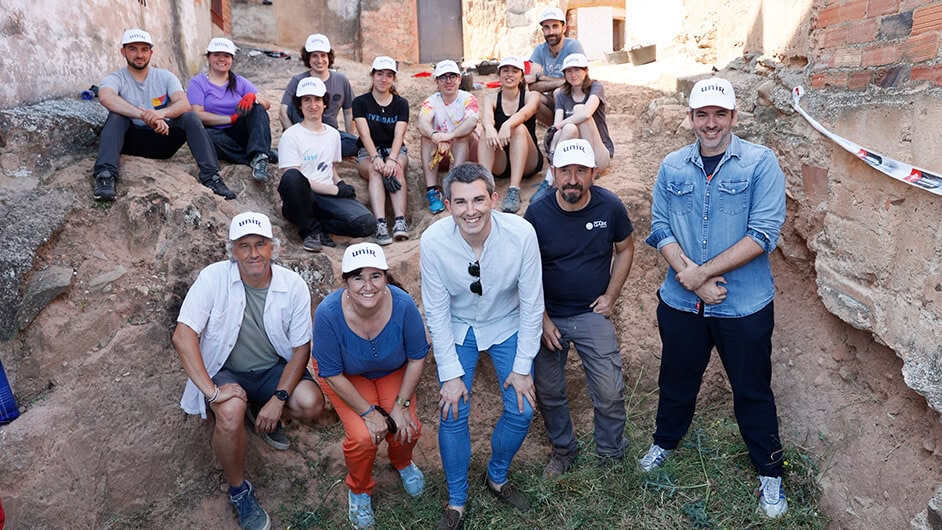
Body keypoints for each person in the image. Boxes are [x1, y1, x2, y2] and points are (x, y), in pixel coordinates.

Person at [640, 77, 789, 519]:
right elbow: (661, 226)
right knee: (676, 380)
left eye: (719, 114)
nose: (710, 123)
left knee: (752, 390)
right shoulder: (672, 167)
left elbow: (763, 234)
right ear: (690, 118)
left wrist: (700, 273)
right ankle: (664, 442)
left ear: (733, 117)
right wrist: (692, 280)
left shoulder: (761, 164)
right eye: (702, 114)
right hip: (683, 303)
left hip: (743, 305)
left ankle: (770, 472)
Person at [172, 211, 327, 530]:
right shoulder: (214, 278)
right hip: (227, 372)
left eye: (260, 244)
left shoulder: (292, 284)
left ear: (273, 247)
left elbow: (301, 348)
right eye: (244, 246)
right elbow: (183, 335)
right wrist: (212, 393)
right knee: (229, 414)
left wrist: (279, 398)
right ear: (232, 251)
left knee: (311, 402)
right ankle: (239, 491)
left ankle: (261, 408)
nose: (253, 253)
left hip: (272, 370)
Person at [420, 163, 544, 530]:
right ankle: (456, 500)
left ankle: (497, 475)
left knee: (522, 409)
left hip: (506, 322)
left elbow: (533, 303)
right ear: (446, 204)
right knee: (453, 409)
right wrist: (450, 374)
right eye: (460, 202)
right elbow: (437, 311)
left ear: (493, 198)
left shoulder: (521, 234)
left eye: (478, 199)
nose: (470, 210)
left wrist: (523, 367)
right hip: (459, 328)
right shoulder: (432, 242)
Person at [523, 139, 634, 478]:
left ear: (594, 173)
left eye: (581, 171)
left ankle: (611, 454)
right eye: (565, 171)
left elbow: (626, 249)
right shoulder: (537, 213)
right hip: (549, 315)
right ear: (553, 173)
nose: (573, 179)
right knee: (550, 391)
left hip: (590, 313)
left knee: (610, 390)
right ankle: (563, 450)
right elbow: (525, 272)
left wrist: (611, 296)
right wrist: (541, 320)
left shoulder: (610, 207)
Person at [312, 242, 429, 529]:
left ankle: (402, 463)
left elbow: (417, 357)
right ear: (345, 282)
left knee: (407, 426)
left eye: (375, 276)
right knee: (364, 437)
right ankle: (359, 488)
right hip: (345, 377)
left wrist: (400, 406)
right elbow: (331, 372)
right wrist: (369, 413)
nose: (368, 286)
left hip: (392, 369)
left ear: (385, 277)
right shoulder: (328, 314)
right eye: (357, 277)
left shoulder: (402, 305)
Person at [92, 29, 235, 201]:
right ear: (123, 52)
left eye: (144, 49)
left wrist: (160, 114)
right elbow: (105, 96)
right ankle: (105, 176)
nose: (139, 54)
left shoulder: (165, 76)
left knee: (190, 117)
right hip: (130, 142)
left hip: (163, 139)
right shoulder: (116, 78)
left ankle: (211, 177)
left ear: (151, 53)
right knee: (116, 117)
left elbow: (183, 103)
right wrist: (145, 115)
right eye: (133, 49)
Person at [277, 77, 375, 252]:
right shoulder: (291, 135)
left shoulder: (333, 134)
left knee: (366, 223)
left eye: (317, 99)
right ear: (299, 104)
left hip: (326, 197)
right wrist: (336, 191)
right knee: (292, 178)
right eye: (306, 100)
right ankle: (310, 232)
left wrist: (339, 182)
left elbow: (329, 166)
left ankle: (321, 226)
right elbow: (293, 177)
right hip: (300, 198)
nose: (312, 105)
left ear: (324, 103)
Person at [532, 53, 615, 204]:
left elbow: (586, 112)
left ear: (585, 71)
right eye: (569, 71)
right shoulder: (562, 95)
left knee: (579, 110)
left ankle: (587, 175)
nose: (573, 74)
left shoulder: (595, 87)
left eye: (577, 70)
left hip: (597, 154)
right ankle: (549, 180)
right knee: (569, 128)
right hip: (576, 156)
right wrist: (553, 148)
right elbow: (557, 127)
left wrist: (559, 125)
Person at [188, 37, 274, 183]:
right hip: (216, 133)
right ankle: (254, 156)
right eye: (217, 55)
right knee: (204, 137)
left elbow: (266, 103)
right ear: (209, 57)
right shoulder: (198, 83)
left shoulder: (239, 81)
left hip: (240, 131)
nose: (222, 59)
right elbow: (197, 114)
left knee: (258, 109)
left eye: (226, 56)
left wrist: (252, 97)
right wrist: (230, 118)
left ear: (232, 59)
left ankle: (260, 156)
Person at [352, 56, 410, 246]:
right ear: (372, 75)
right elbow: (364, 133)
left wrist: (392, 159)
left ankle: (400, 221)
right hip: (368, 152)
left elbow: (399, 134)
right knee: (376, 171)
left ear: (393, 79)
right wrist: (375, 157)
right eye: (379, 74)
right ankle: (381, 224)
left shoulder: (401, 104)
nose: (383, 79)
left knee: (397, 169)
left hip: (394, 150)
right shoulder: (361, 102)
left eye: (389, 75)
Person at [477, 56, 543, 214]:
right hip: (501, 162)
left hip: (527, 161)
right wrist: (489, 127)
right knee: (486, 131)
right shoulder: (491, 98)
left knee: (518, 128)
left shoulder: (531, 96)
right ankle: (483, 187)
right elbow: (486, 118)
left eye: (514, 71)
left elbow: (526, 113)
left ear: (521, 75)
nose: (509, 74)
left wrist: (507, 124)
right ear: (499, 74)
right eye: (505, 70)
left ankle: (514, 189)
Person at [279, 34, 358, 157]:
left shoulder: (341, 80)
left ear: (329, 57)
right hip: (303, 133)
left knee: (357, 144)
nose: (320, 60)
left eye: (323, 55)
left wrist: (350, 136)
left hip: (329, 133)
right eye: (314, 56)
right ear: (308, 58)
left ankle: (316, 151)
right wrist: (292, 136)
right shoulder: (297, 81)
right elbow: (283, 112)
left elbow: (349, 112)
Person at [418, 60, 480, 215]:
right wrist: (435, 136)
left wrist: (449, 136)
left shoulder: (468, 99)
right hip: (440, 152)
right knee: (425, 137)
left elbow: (471, 122)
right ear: (436, 81)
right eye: (443, 77)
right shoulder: (431, 101)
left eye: (452, 76)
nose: (448, 81)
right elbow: (423, 122)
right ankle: (432, 190)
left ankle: (451, 187)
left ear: (459, 79)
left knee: (462, 135)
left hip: (466, 151)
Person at [526, 7, 585, 126]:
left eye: (555, 26)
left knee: (559, 92)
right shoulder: (539, 50)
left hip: (574, 100)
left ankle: (571, 127)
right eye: (547, 27)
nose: (551, 32)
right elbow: (533, 85)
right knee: (530, 96)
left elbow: (578, 81)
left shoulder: (574, 46)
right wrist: (564, 81)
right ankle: (556, 129)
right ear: (543, 30)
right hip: (553, 100)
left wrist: (543, 78)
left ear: (564, 28)